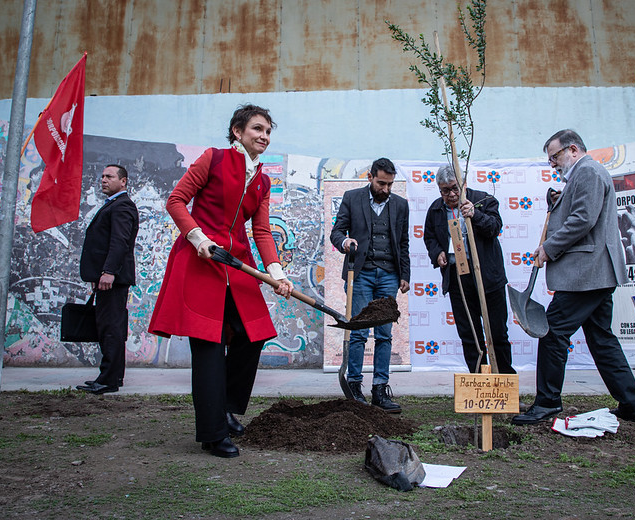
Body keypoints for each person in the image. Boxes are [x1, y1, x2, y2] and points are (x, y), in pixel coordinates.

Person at [148, 104, 293, 458]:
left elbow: (260, 230)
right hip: (199, 262)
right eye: (257, 129)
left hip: (236, 265)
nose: (264, 136)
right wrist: (199, 240)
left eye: (268, 131)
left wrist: (276, 272)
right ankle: (213, 434)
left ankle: (223, 406)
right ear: (237, 132)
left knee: (253, 334)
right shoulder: (212, 159)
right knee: (210, 349)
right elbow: (176, 200)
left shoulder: (262, 180)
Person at [512, 129, 635, 426]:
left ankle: (547, 402)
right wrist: (560, 200)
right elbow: (581, 211)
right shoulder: (585, 175)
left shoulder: (587, 171)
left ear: (572, 149)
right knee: (602, 340)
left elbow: (583, 220)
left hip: (585, 274)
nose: (553, 164)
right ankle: (632, 406)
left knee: (553, 333)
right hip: (594, 273)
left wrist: (548, 248)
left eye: (555, 157)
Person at [329, 157, 410, 413]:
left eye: (390, 184)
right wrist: (345, 242)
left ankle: (380, 390)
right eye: (381, 183)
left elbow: (404, 243)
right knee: (359, 332)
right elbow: (337, 231)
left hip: (388, 275)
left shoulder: (400, 205)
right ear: (370, 177)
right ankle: (354, 387)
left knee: (385, 334)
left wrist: (404, 274)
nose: (386, 189)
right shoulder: (352, 198)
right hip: (360, 274)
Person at [423, 165, 515, 374]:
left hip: (488, 277)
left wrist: (475, 215)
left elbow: (494, 228)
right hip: (458, 278)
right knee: (469, 333)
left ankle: (505, 383)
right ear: (439, 190)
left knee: (497, 333)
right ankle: (477, 384)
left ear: (464, 184)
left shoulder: (484, 200)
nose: (452, 194)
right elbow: (429, 237)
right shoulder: (436, 209)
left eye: (455, 188)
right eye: (445, 190)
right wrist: (437, 253)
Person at [76, 164, 139, 395]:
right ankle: (111, 377)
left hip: (114, 278)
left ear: (123, 181)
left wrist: (109, 272)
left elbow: (120, 242)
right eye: (102, 176)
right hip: (108, 277)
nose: (103, 180)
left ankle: (109, 379)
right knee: (108, 327)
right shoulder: (114, 204)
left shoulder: (122, 206)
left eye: (109, 176)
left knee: (110, 328)